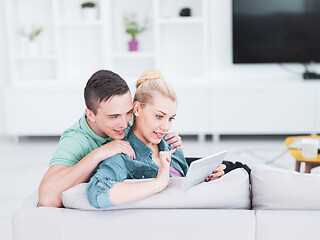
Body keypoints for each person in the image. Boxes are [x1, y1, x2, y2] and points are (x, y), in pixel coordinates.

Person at [38, 70, 187, 207]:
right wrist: (98, 154)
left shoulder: (128, 120)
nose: (124, 123)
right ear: (91, 115)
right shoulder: (76, 140)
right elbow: (47, 197)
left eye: (128, 112)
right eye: (114, 116)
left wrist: (165, 138)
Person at [86, 69, 227, 209]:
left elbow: (184, 186)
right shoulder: (123, 155)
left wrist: (207, 178)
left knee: (236, 167)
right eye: (159, 116)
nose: (166, 126)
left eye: (170, 118)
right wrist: (159, 183)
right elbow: (97, 192)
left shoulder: (171, 144)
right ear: (137, 109)